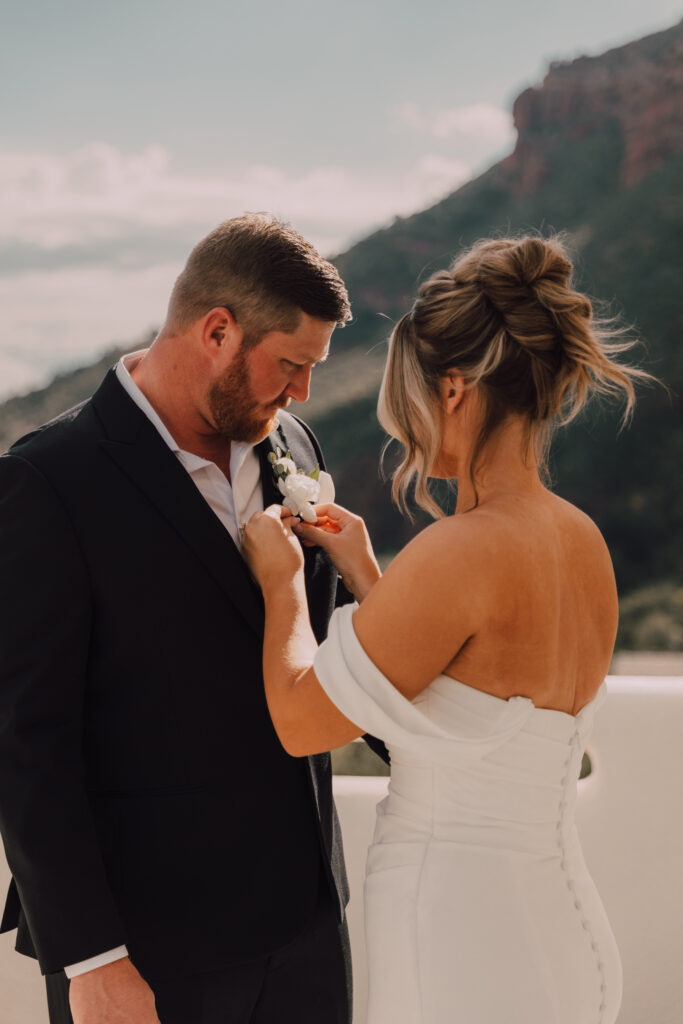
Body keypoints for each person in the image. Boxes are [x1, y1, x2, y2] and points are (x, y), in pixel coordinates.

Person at [243, 235, 650, 1023]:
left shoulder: (459, 550)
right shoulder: (579, 540)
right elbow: (472, 682)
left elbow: (300, 721)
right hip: (566, 936)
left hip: (462, 938)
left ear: (454, 389)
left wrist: (282, 582)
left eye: (406, 397)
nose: (399, 423)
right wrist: (364, 571)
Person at [0, 214, 387, 1024]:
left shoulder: (294, 445)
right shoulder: (47, 480)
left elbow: (317, 647)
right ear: (217, 330)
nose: (302, 394)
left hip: (305, 927)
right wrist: (92, 961)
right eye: (290, 365)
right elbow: (25, 739)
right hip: (147, 950)